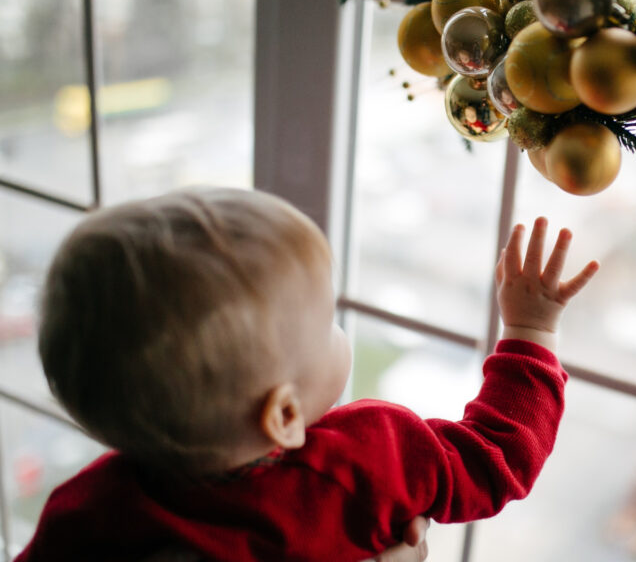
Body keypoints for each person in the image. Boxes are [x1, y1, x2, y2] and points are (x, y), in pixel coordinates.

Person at [18, 187, 599, 561]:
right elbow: (495, 457)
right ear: (285, 414)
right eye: (328, 322)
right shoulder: (369, 457)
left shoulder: (85, 511)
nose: (337, 326)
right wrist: (530, 332)